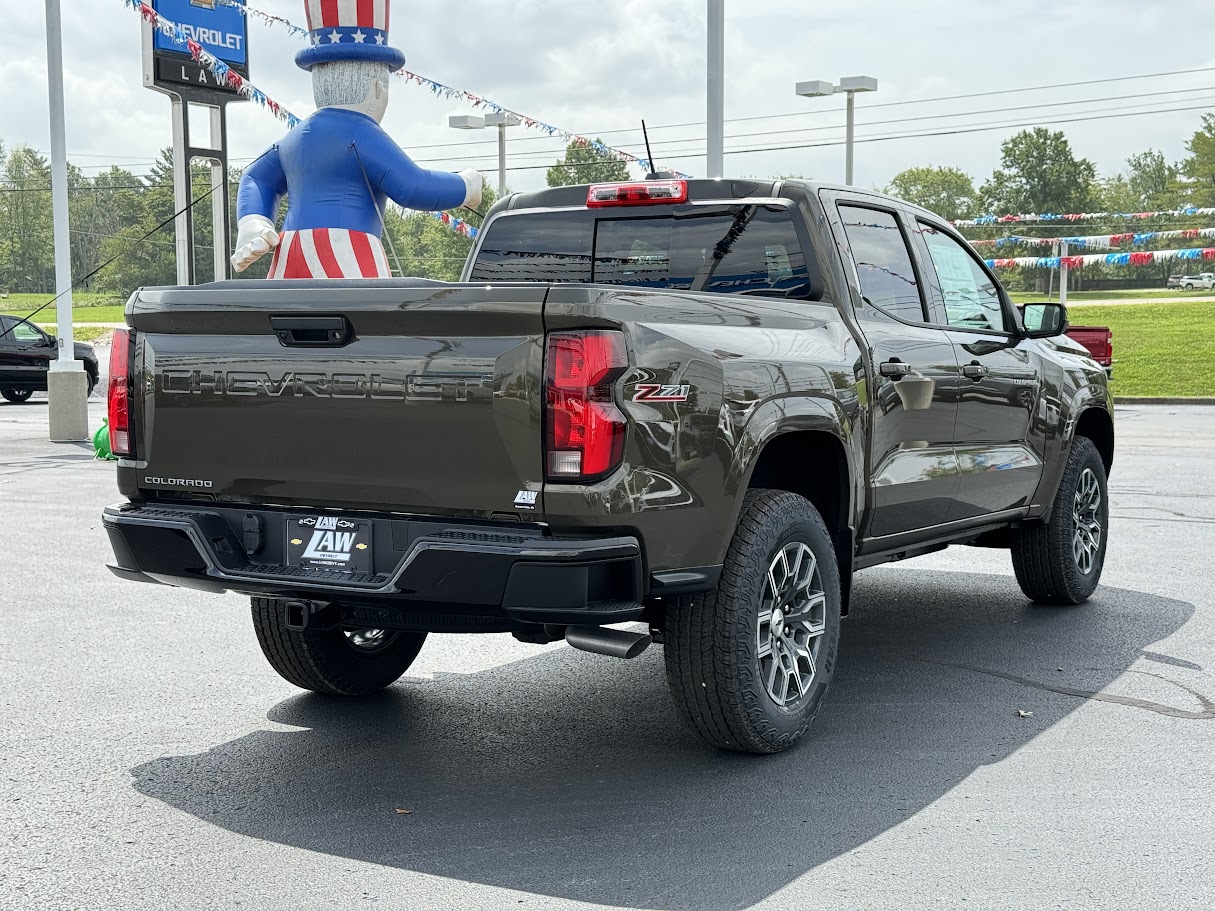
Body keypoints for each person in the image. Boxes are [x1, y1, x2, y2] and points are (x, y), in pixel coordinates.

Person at [232, 0, 482, 278]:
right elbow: (413, 187)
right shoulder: (362, 132)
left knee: (293, 319)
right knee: (364, 320)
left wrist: (254, 220)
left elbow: (256, 178)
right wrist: (466, 185)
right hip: (349, 254)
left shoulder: (293, 139)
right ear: (378, 88)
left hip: (291, 257)